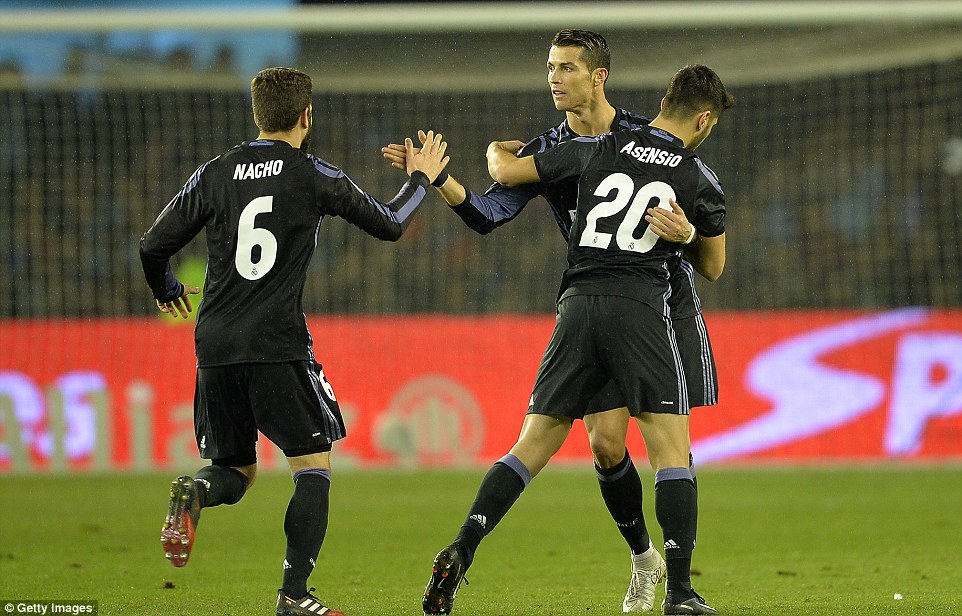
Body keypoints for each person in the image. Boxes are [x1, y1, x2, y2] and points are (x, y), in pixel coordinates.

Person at [385, 31, 717, 613]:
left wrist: (499, 159)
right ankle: (647, 559)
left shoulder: (639, 135)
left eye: (566, 68)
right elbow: (487, 214)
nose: (554, 79)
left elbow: (697, 215)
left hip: (665, 301)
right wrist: (443, 182)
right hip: (608, 298)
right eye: (549, 68)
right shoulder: (552, 149)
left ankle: (668, 572)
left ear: (599, 76)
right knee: (606, 445)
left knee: (662, 441)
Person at [139, 67, 448, 616]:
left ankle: (194, 493)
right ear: (307, 115)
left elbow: (151, 246)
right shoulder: (313, 174)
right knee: (312, 466)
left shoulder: (215, 172)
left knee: (234, 471)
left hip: (213, 344)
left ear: (256, 115)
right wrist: (421, 179)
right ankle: (294, 595)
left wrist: (165, 290)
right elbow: (390, 222)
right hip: (276, 340)